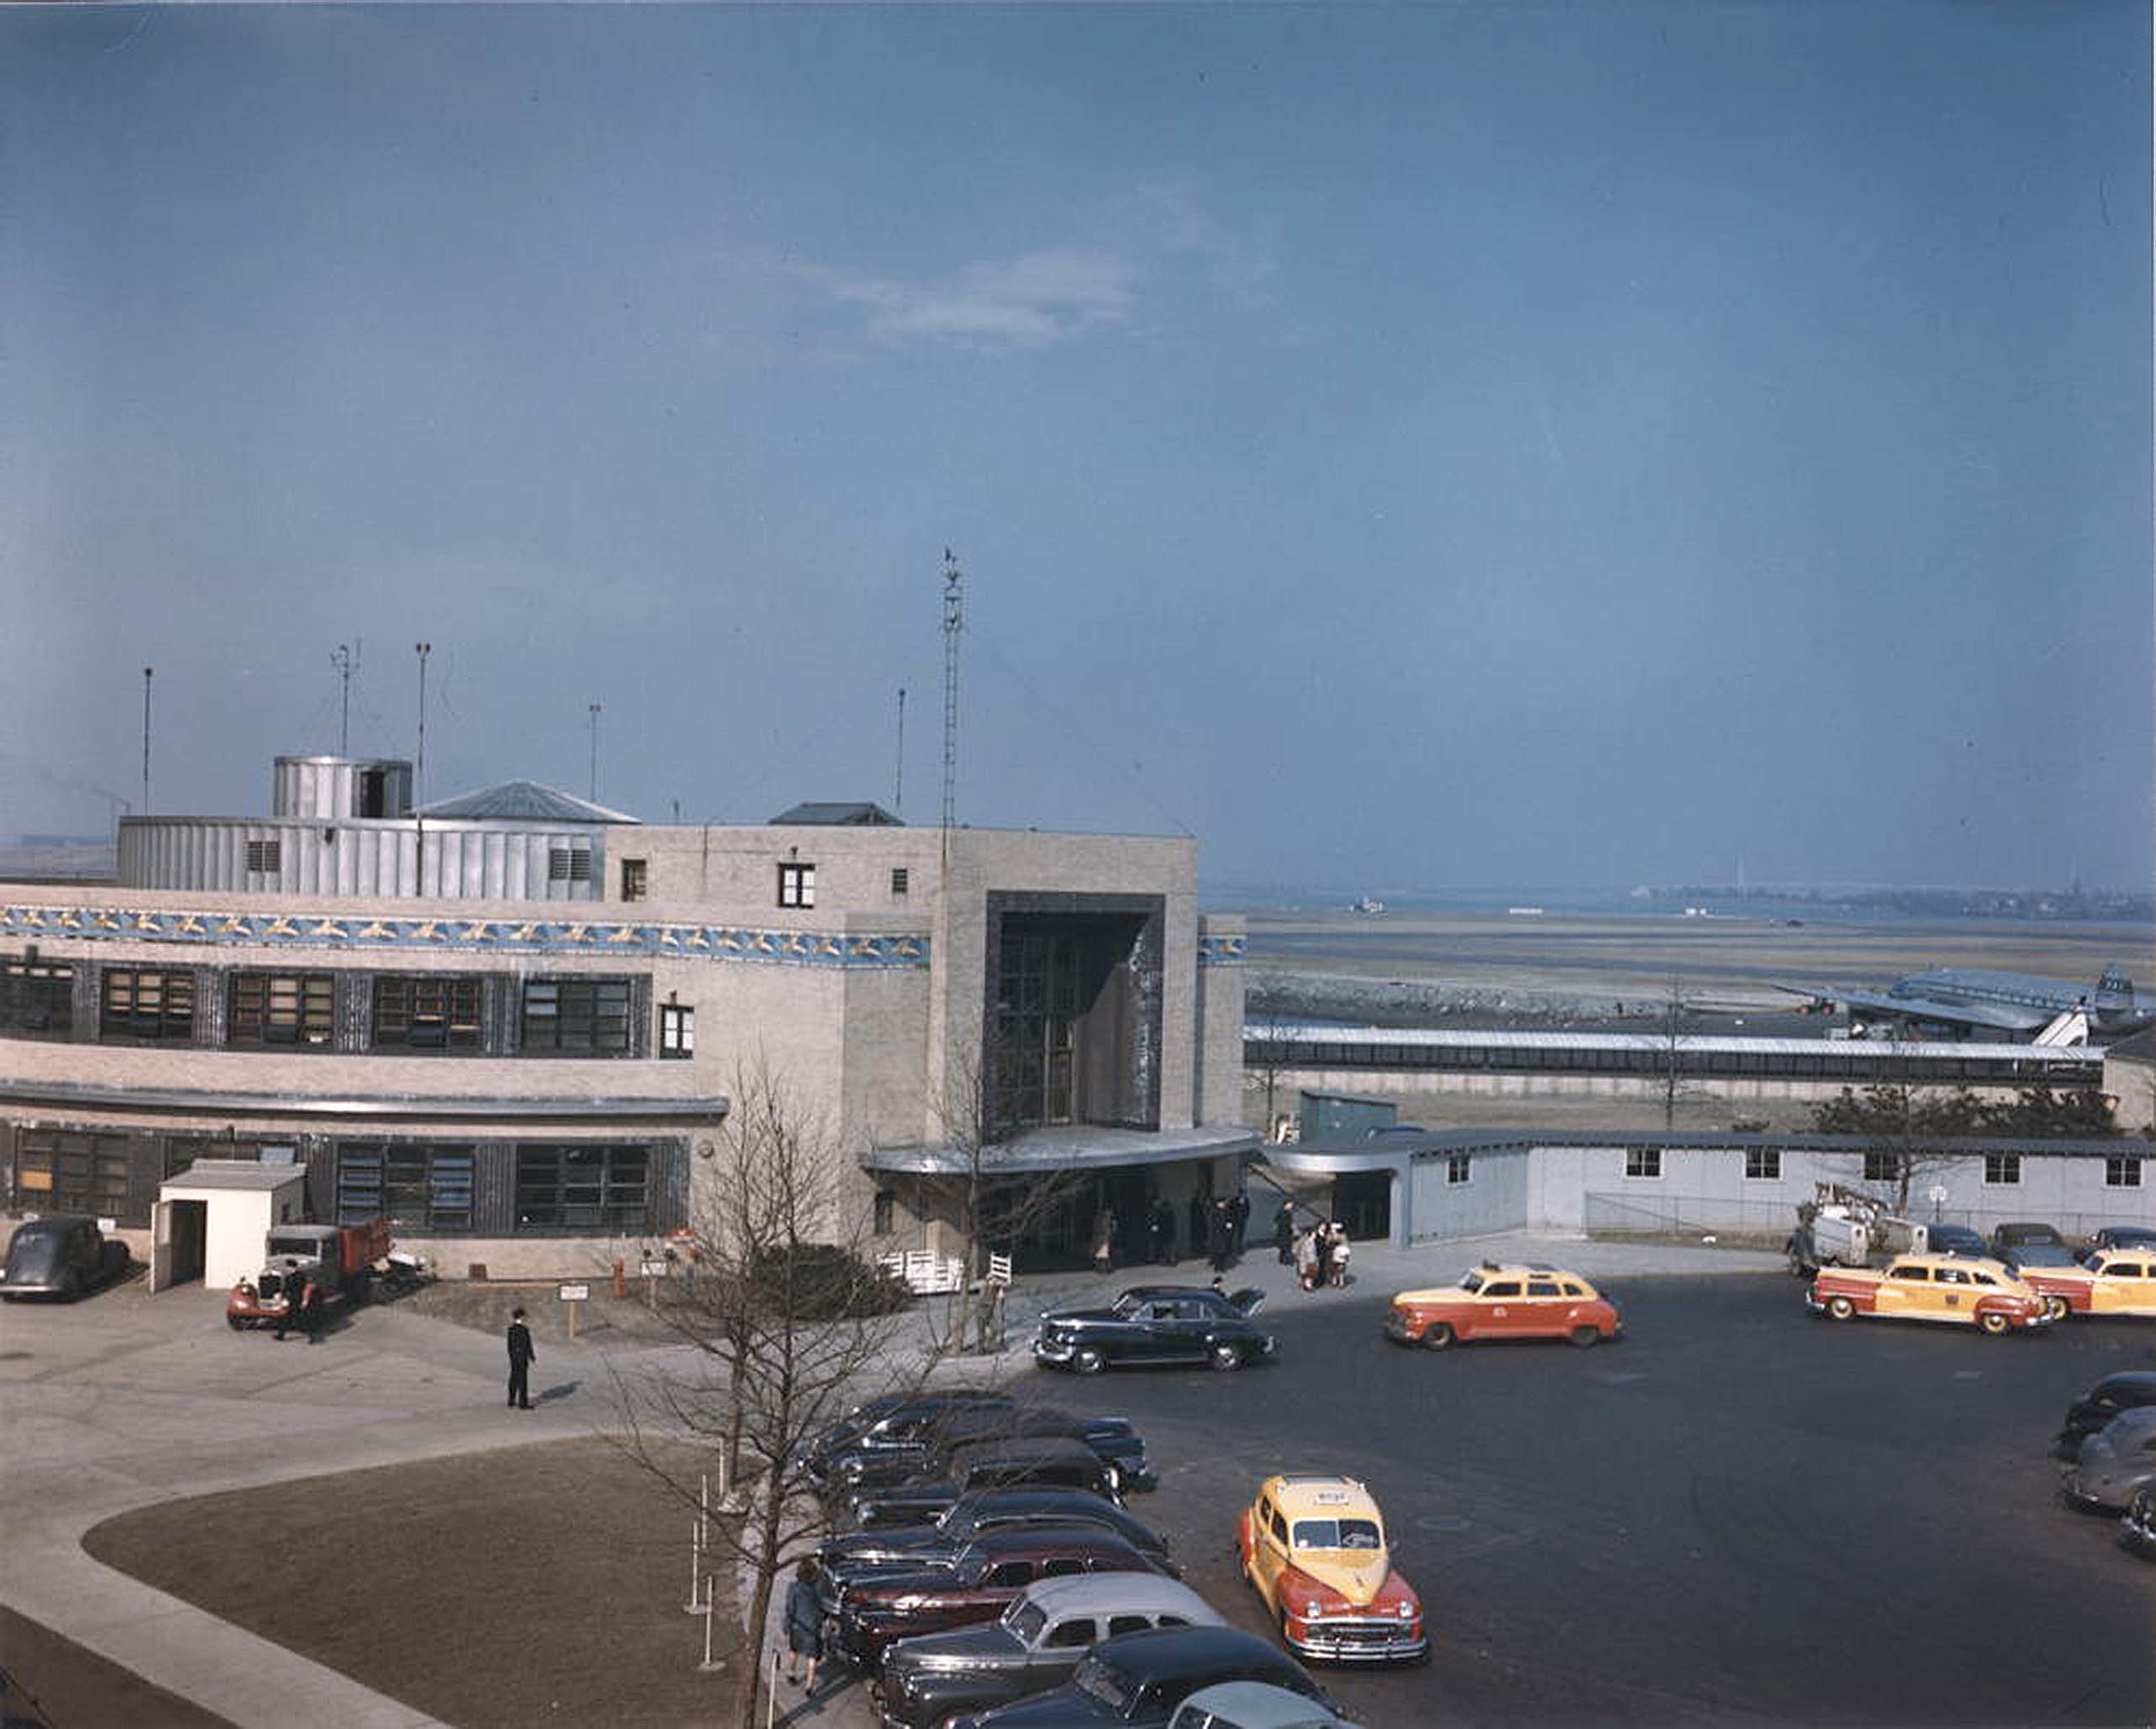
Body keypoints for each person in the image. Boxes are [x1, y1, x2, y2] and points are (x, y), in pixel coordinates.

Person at [783, 1558, 824, 1690]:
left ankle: (791, 1672)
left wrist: (787, 1624)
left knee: (794, 1650)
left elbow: (790, 1607)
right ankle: (809, 1685)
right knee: (812, 1657)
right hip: (812, 1628)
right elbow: (820, 1608)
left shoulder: (793, 1588)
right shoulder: (816, 1590)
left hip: (797, 1626)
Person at [506, 1306, 536, 1409]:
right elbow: (528, 1344)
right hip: (522, 1357)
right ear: (521, 1317)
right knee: (523, 1379)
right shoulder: (524, 1330)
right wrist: (531, 1356)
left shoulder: (510, 1330)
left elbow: (509, 1346)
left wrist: (511, 1356)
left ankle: (511, 1400)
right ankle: (523, 1403)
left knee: (513, 1378)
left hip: (514, 1357)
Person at [271, 1259, 303, 1340]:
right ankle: (281, 1335)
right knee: (285, 1317)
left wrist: (288, 1298)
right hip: (290, 1299)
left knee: (290, 1317)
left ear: (293, 1267)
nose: (287, 1269)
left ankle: (313, 1335)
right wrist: (281, 1294)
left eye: (288, 1267)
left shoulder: (299, 1276)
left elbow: (299, 1288)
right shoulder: (288, 1277)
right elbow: (286, 1288)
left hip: (296, 1298)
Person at [1091, 1208, 1116, 1275]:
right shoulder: (1103, 1220)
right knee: (1102, 1254)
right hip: (1103, 1238)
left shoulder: (1105, 1220)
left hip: (1103, 1238)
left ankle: (1102, 1268)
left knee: (1103, 1254)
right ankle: (1102, 1268)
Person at [1273, 1201, 1296, 1267]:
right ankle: (1287, 1260)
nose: (1291, 1206)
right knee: (1286, 1247)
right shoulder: (1282, 1212)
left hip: (1287, 1231)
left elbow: (1290, 1222)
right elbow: (1276, 1220)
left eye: (1291, 1205)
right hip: (1282, 1231)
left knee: (1285, 1246)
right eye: (1290, 1205)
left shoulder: (1289, 1212)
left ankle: (1283, 1260)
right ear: (1286, 1205)